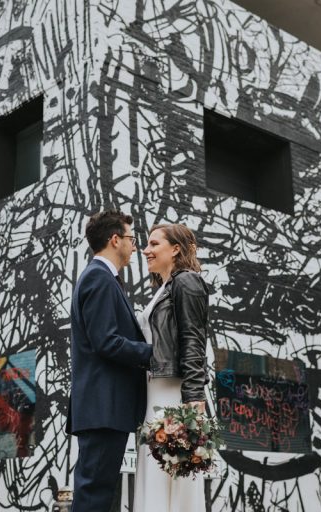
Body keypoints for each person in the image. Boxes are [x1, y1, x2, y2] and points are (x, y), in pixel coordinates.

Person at [68, 210, 153, 512]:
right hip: (103, 407)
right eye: (131, 238)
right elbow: (106, 341)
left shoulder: (100, 278)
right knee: (94, 496)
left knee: (96, 494)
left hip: (103, 408)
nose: (134, 246)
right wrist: (154, 355)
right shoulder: (99, 279)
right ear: (115, 240)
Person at [133, 223, 209, 512]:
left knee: (174, 478)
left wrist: (193, 399)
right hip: (156, 393)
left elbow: (193, 340)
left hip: (174, 396)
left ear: (176, 249)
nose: (146, 250)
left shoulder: (187, 282)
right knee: (156, 475)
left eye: (154, 244)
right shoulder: (163, 288)